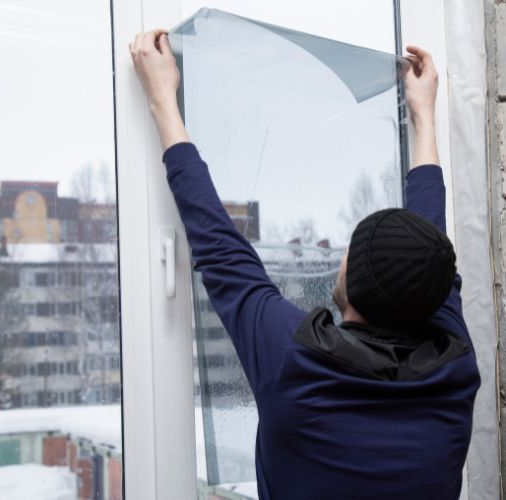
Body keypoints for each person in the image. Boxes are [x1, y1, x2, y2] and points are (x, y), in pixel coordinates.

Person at [130, 29, 480, 499]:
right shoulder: (454, 362)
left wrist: (161, 102)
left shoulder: (296, 362)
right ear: (436, 294)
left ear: (350, 284)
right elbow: (429, 238)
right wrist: (424, 117)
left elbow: (220, 247)